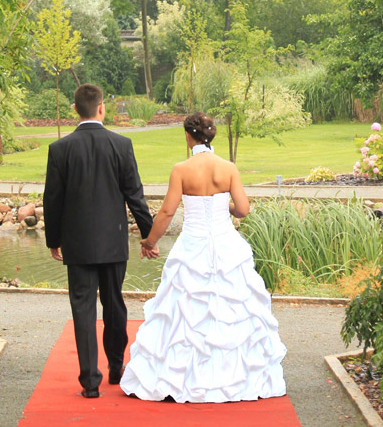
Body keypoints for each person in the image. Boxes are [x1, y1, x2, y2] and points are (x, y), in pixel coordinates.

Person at [120, 112, 286, 403]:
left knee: (185, 310)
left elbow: (167, 212)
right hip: (226, 244)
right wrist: (225, 208)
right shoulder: (228, 168)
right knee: (230, 307)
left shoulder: (181, 169)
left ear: (188, 136)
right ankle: (232, 377)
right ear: (210, 136)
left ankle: (182, 378)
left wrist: (150, 242)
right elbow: (243, 209)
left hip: (192, 245)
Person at [43, 83, 153, 398]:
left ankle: (90, 381)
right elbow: (135, 195)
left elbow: (53, 200)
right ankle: (116, 367)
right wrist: (149, 236)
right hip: (113, 241)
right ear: (101, 108)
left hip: (77, 244)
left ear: (75, 110)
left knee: (83, 308)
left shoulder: (60, 149)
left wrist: (54, 239)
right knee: (114, 303)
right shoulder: (121, 145)